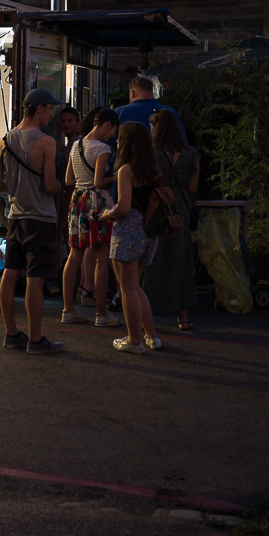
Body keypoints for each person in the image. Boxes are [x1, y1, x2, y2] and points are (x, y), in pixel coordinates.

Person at [0, 89, 66, 354]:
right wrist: (61, 187)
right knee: (36, 278)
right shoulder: (46, 142)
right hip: (41, 218)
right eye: (50, 110)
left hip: (15, 216)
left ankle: (11, 334)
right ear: (39, 109)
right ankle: (35, 339)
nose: (52, 115)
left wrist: (16, 189)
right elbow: (50, 185)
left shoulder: (4, 141)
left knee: (11, 272)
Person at [105, 122, 165, 354]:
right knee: (136, 287)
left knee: (127, 288)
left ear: (128, 142)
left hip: (129, 230)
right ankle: (152, 336)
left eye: (120, 138)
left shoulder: (126, 170)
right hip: (149, 230)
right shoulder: (152, 170)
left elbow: (123, 207)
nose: (117, 141)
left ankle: (134, 341)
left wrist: (107, 214)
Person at [61, 109, 122, 328]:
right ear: (107, 124)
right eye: (113, 131)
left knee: (74, 256)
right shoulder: (102, 148)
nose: (113, 136)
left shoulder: (76, 145)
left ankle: (68, 309)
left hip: (77, 201)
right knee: (101, 258)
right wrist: (115, 176)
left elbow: (69, 180)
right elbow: (98, 181)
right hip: (97, 204)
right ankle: (101, 313)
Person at [141, 110, 201, 331]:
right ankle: (182, 318)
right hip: (180, 212)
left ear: (158, 128)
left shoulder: (151, 154)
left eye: (152, 126)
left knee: (151, 261)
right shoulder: (192, 155)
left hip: (157, 208)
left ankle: (145, 316)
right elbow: (192, 188)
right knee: (181, 262)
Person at [115, 75, 183, 132]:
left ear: (132, 93)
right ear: (152, 94)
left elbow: (110, 141)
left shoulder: (120, 113)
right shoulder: (171, 113)